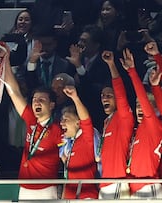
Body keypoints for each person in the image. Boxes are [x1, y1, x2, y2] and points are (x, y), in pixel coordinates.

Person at [4, 48, 63, 199]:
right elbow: (14, 92)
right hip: (24, 186)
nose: (36, 102)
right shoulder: (31, 120)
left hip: (47, 188)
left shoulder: (58, 129)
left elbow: (67, 156)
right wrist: (6, 62)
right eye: (35, 99)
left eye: (42, 100)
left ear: (51, 105)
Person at [120, 48, 162, 198]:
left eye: (143, 105)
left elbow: (143, 98)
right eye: (136, 104)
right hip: (135, 187)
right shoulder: (138, 129)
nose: (139, 107)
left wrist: (132, 71)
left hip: (148, 187)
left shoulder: (154, 126)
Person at [95, 50, 134, 199]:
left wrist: (111, 65)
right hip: (105, 181)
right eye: (103, 96)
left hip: (118, 180)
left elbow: (120, 93)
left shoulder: (123, 116)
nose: (105, 98)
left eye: (109, 96)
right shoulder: (106, 121)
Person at [66, 24, 111, 131]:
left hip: (94, 113)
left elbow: (94, 90)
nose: (80, 44)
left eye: (85, 41)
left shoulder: (105, 63)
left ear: (96, 45)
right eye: (80, 40)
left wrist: (79, 68)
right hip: (74, 113)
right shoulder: (75, 59)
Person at [59, 85, 98, 199]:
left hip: (86, 196)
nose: (61, 123)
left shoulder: (86, 138)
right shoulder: (68, 145)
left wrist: (75, 98)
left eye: (66, 119)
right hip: (70, 196)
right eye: (61, 120)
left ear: (78, 123)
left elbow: (86, 120)